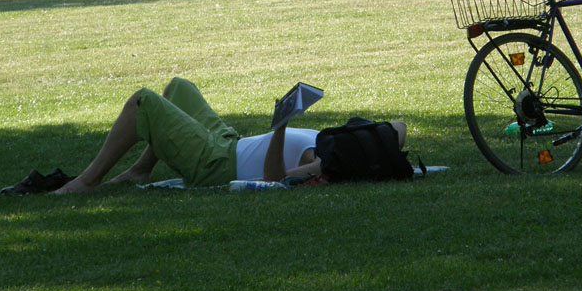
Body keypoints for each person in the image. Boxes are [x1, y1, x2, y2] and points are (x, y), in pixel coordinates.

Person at [53, 77, 406, 194]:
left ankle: (87, 181)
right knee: (179, 87)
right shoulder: (337, 145)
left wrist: (281, 127)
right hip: (228, 141)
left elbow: (275, 181)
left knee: (143, 102)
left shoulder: (321, 163)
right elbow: (400, 128)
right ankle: (141, 169)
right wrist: (378, 140)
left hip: (217, 164)